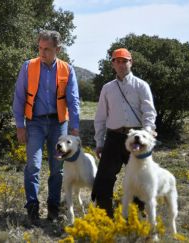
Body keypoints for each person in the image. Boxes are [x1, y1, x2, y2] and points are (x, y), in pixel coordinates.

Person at [12, 30, 80, 225]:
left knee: (57, 168)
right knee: (33, 165)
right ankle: (32, 208)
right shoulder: (28, 67)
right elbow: (19, 97)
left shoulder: (67, 69)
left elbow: (73, 100)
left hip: (59, 125)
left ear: (57, 49)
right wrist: (20, 125)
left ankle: (53, 208)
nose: (42, 53)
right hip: (34, 123)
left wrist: (74, 128)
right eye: (40, 48)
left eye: (47, 49)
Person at [91, 48, 157, 217]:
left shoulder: (142, 85)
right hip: (113, 138)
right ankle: (105, 216)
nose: (121, 64)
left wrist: (147, 135)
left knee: (139, 178)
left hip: (136, 138)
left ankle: (135, 217)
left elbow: (149, 112)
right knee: (104, 178)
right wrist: (99, 142)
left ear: (131, 62)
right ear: (112, 64)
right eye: (117, 61)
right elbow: (100, 117)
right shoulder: (107, 88)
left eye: (124, 61)